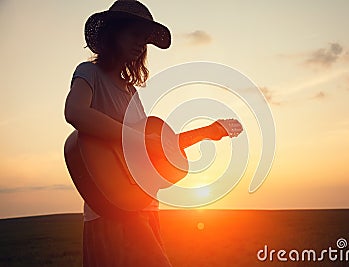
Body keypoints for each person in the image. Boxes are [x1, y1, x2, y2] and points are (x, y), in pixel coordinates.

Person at [64, 1, 242, 266]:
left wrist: (208, 132)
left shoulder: (131, 92)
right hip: (110, 210)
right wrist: (135, 138)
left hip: (142, 206)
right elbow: (74, 112)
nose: (141, 44)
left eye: (145, 39)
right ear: (114, 33)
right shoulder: (89, 72)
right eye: (135, 34)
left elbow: (151, 149)